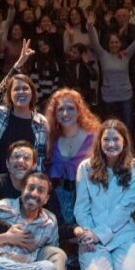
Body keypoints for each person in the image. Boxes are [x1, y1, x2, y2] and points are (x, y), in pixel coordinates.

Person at [73, 120, 135, 270]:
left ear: (124, 142)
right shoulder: (85, 168)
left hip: (121, 233)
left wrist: (99, 234)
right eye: (106, 139)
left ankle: (123, 264)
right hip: (91, 231)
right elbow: (81, 207)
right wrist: (88, 234)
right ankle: (99, 263)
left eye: (116, 139)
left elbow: (125, 209)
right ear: (99, 142)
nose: (111, 144)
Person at [44, 88, 100, 238]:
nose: (65, 113)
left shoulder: (94, 138)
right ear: (54, 114)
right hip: (56, 212)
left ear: (79, 110)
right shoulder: (51, 139)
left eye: (70, 108)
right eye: (60, 109)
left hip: (87, 208)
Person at [86, 11, 135, 129]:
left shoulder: (126, 55)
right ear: (108, 44)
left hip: (125, 96)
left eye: (116, 42)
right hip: (108, 97)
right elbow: (94, 42)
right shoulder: (102, 55)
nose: (114, 44)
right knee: (110, 127)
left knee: (127, 126)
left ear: (120, 43)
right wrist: (90, 26)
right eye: (111, 42)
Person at [0, 74, 49, 176]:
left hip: (28, 186)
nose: (21, 92)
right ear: (10, 94)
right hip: (0, 182)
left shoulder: (42, 123)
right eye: (16, 89)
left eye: (25, 88)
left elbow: (41, 159)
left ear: (32, 93)